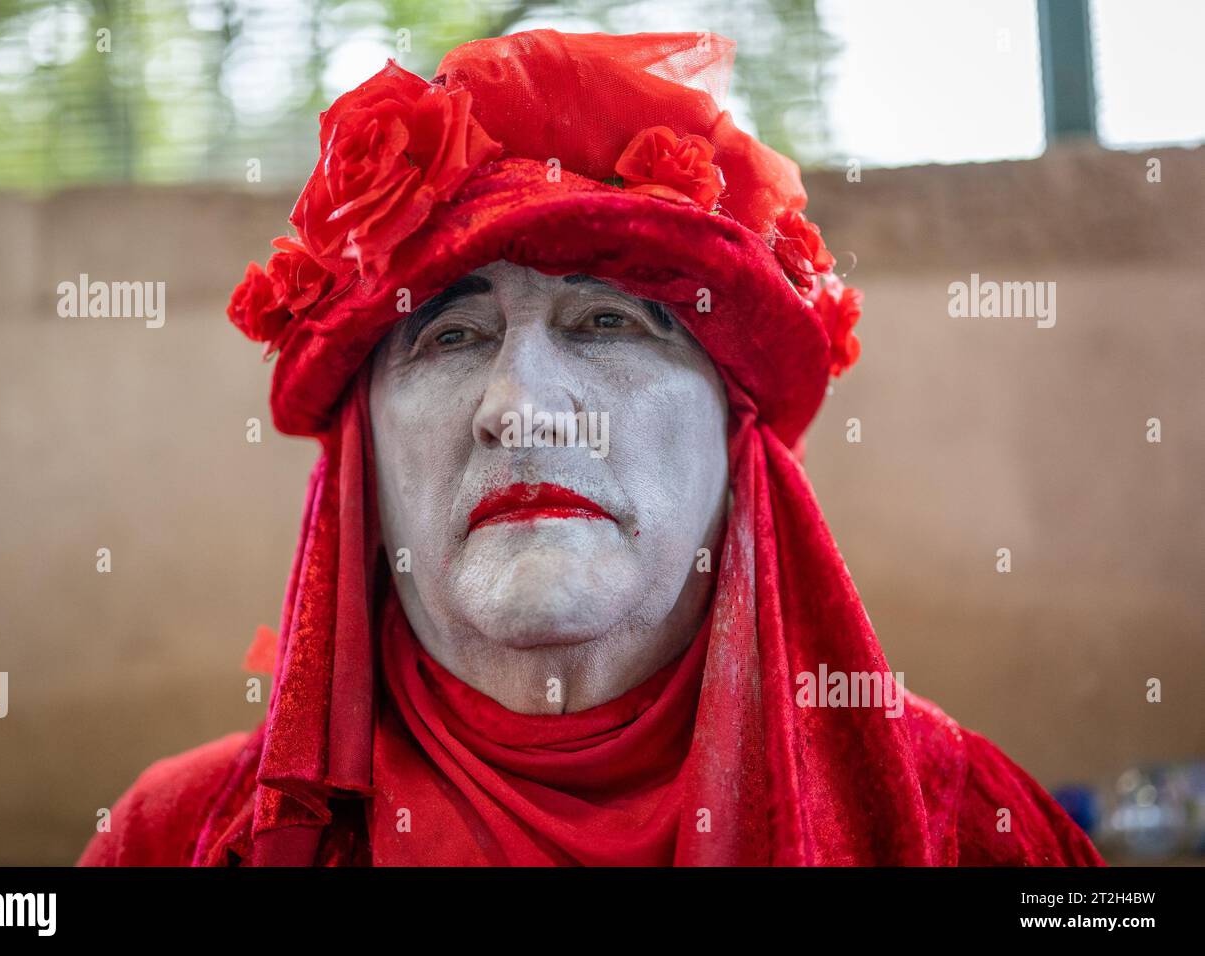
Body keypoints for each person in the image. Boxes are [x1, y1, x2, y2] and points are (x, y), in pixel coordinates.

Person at [78, 29, 1102, 867]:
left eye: (609, 324)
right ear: (359, 461)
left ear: (736, 432)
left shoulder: (972, 831)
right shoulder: (171, 842)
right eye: (452, 334)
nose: (522, 406)